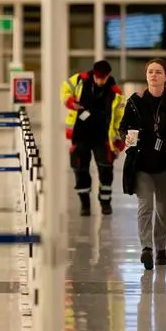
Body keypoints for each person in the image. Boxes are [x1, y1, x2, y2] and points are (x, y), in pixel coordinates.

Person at [119, 58, 166, 270]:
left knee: (163, 210)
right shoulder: (135, 101)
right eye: (150, 71)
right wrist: (125, 136)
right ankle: (146, 249)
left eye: (158, 72)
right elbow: (123, 126)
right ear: (146, 76)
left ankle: (160, 247)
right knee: (145, 206)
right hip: (142, 164)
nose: (153, 75)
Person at [61, 59, 125, 217]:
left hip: (102, 136)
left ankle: (105, 202)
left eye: (103, 77)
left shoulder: (116, 92)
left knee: (106, 168)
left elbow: (119, 118)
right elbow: (65, 88)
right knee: (80, 168)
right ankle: (85, 204)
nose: (100, 80)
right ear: (94, 74)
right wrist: (70, 101)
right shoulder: (80, 80)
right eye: (98, 77)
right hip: (81, 133)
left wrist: (120, 139)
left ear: (108, 75)